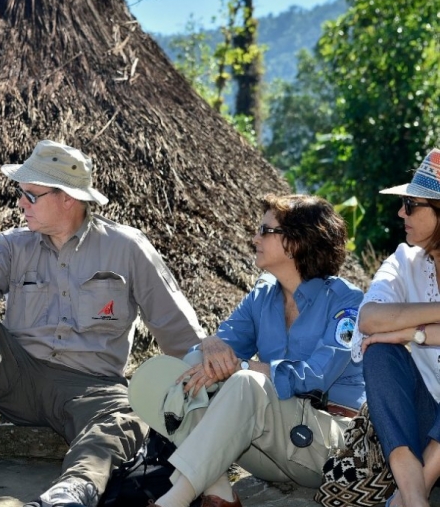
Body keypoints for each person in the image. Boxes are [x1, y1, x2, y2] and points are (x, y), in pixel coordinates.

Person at [0, 140, 206, 507]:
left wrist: (206, 381)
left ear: (67, 198)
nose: (21, 202)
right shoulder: (13, 246)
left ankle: (73, 490)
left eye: (30, 194)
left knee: (131, 412)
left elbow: (177, 327)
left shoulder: (128, 247)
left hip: (94, 389)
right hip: (19, 379)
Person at [130, 194, 364, 507]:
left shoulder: (348, 303)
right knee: (193, 364)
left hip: (330, 448)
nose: (255, 238)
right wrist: (211, 344)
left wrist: (243, 367)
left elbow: (315, 377)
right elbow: (223, 347)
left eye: (266, 231)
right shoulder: (263, 294)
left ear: (297, 243)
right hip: (272, 449)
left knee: (245, 382)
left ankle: (174, 501)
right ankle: (219, 493)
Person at [356, 149, 440, 507]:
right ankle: (414, 496)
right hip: (426, 422)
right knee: (379, 351)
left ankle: (409, 497)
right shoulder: (405, 260)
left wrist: (411, 332)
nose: (400, 212)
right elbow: (369, 319)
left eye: (410, 204)